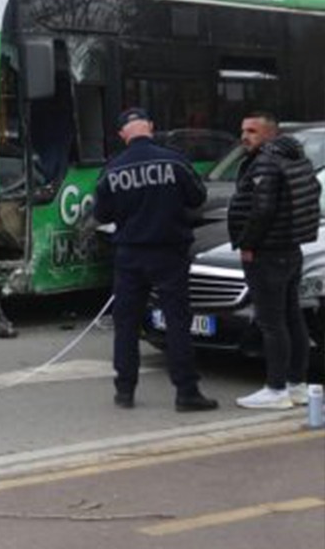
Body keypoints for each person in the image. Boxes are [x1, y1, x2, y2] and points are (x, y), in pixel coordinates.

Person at [93, 108, 217, 412]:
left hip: (129, 255)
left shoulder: (111, 170)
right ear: (150, 126)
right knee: (177, 322)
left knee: (126, 325)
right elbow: (198, 197)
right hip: (169, 252)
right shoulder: (174, 160)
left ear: (123, 135)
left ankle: (125, 391)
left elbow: (101, 214)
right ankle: (186, 392)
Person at [227, 112, 322, 409]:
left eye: (252, 131)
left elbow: (263, 208)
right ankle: (296, 385)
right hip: (290, 249)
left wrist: (247, 243)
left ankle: (276, 388)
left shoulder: (266, 161)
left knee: (271, 322)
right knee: (292, 318)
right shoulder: (297, 158)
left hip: (267, 252)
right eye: (243, 130)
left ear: (270, 134)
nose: (245, 136)